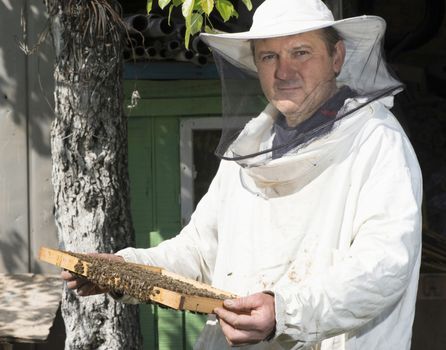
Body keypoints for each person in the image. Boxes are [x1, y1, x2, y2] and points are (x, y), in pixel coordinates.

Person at [62, 0, 423, 349]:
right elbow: (199, 253)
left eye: (301, 52)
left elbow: (385, 265)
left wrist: (284, 312)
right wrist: (126, 268)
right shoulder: (249, 149)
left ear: (337, 57)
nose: (284, 71)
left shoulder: (376, 140)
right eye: (269, 56)